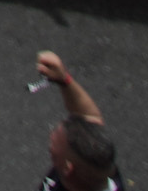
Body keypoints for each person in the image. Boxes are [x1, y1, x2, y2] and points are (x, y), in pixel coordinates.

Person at [32, 50, 123, 191]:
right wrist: (64, 79)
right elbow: (91, 117)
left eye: (54, 150)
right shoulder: (99, 169)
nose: (51, 136)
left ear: (68, 169)